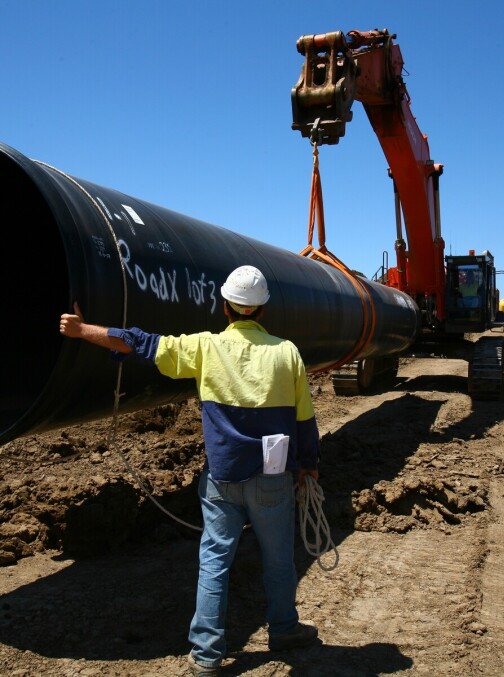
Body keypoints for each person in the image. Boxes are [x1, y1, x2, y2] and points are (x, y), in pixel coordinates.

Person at [59, 265, 320, 677]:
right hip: (274, 478)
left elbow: (137, 343)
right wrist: (309, 467)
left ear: (225, 308)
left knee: (215, 560)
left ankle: (207, 655)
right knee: (278, 560)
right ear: (263, 310)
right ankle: (284, 630)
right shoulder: (287, 353)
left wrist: (81, 330)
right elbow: (305, 420)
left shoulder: (205, 348)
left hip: (222, 478)